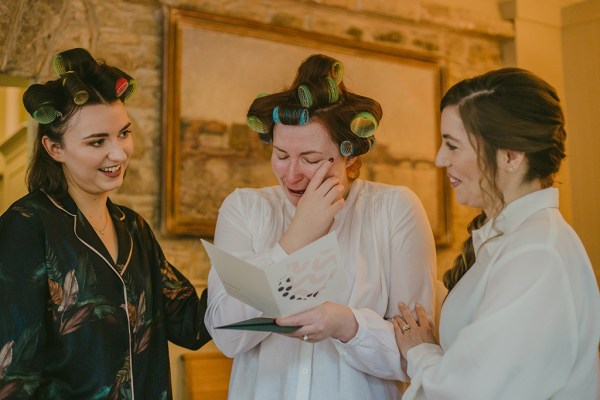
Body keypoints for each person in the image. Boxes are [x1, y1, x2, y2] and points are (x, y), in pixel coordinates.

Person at [204, 53, 437, 400]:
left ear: (351, 156)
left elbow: (414, 356)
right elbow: (227, 334)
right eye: (281, 155)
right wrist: (296, 238)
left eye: (311, 160)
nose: (292, 174)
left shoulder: (395, 210)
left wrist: (348, 325)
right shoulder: (245, 209)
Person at [0, 48, 211, 399]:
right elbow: (12, 373)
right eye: (98, 141)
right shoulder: (27, 226)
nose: (119, 153)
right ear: (54, 148)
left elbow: (191, 324)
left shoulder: (134, 229)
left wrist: (254, 252)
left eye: (123, 134)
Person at [392, 67, 600, 399]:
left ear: (511, 156)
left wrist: (421, 353)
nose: (439, 158)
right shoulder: (515, 242)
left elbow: (472, 393)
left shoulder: (537, 255)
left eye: (453, 145)